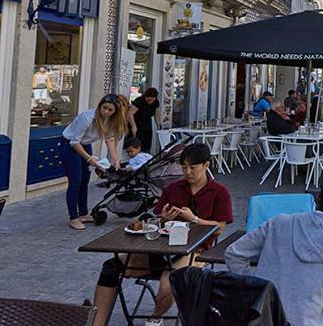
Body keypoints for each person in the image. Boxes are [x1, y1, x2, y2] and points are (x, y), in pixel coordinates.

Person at [91, 143, 233, 326]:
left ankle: (156, 316)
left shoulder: (220, 192)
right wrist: (162, 219)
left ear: (206, 165)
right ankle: (96, 323)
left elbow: (220, 227)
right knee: (111, 267)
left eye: (193, 167)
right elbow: (157, 219)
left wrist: (195, 219)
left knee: (171, 280)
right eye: (184, 167)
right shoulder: (173, 188)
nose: (188, 172)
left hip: (196, 250)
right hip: (160, 247)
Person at [226, 179, 323, 326]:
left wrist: (256, 281)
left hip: (262, 315)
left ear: (318, 199)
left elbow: (233, 253)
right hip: (308, 320)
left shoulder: (279, 223)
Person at [60, 94, 126, 230]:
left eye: (110, 110)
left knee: (85, 179)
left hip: (85, 144)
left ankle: (83, 213)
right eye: (104, 108)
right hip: (70, 144)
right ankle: (73, 217)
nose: (106, 112)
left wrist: (115, 159)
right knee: (75, 180)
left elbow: (109, 139)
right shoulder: (88, 118)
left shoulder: (110, 120)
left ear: (115, 112)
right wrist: (89, 158)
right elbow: (74, 141)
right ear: (100, 106)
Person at [127, 88, 160, 153]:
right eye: (148, 98)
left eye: (152, 99)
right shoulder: (139, 101)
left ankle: (145, 155)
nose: (149, 100)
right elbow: (129, 114)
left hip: (147, 123)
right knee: (136, 144)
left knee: (146, 143)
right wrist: (133, 126)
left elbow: (156, 114)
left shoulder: (156, 102)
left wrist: (158, 124)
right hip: (136, 122)